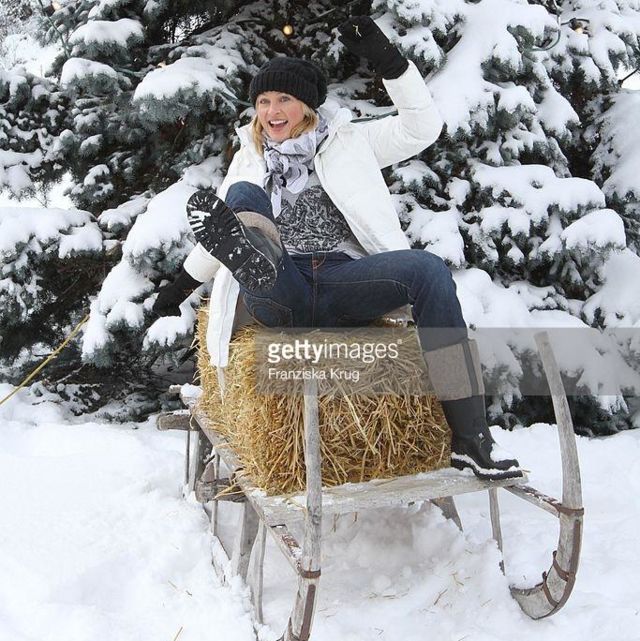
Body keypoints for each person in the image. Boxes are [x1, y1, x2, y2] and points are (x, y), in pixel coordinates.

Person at [153, 16, 523, 481]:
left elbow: (422, 128)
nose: (272, 111)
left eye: (284, 99)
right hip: (282, 290)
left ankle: (471, 439)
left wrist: (388, 60)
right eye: (263, 101)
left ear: (306, 106)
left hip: (344, 281)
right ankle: (261, 259)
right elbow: (218, 236)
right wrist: (180, 286)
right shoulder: (249, 159)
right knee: (243, 198)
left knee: (429, 270)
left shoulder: (351, 142)